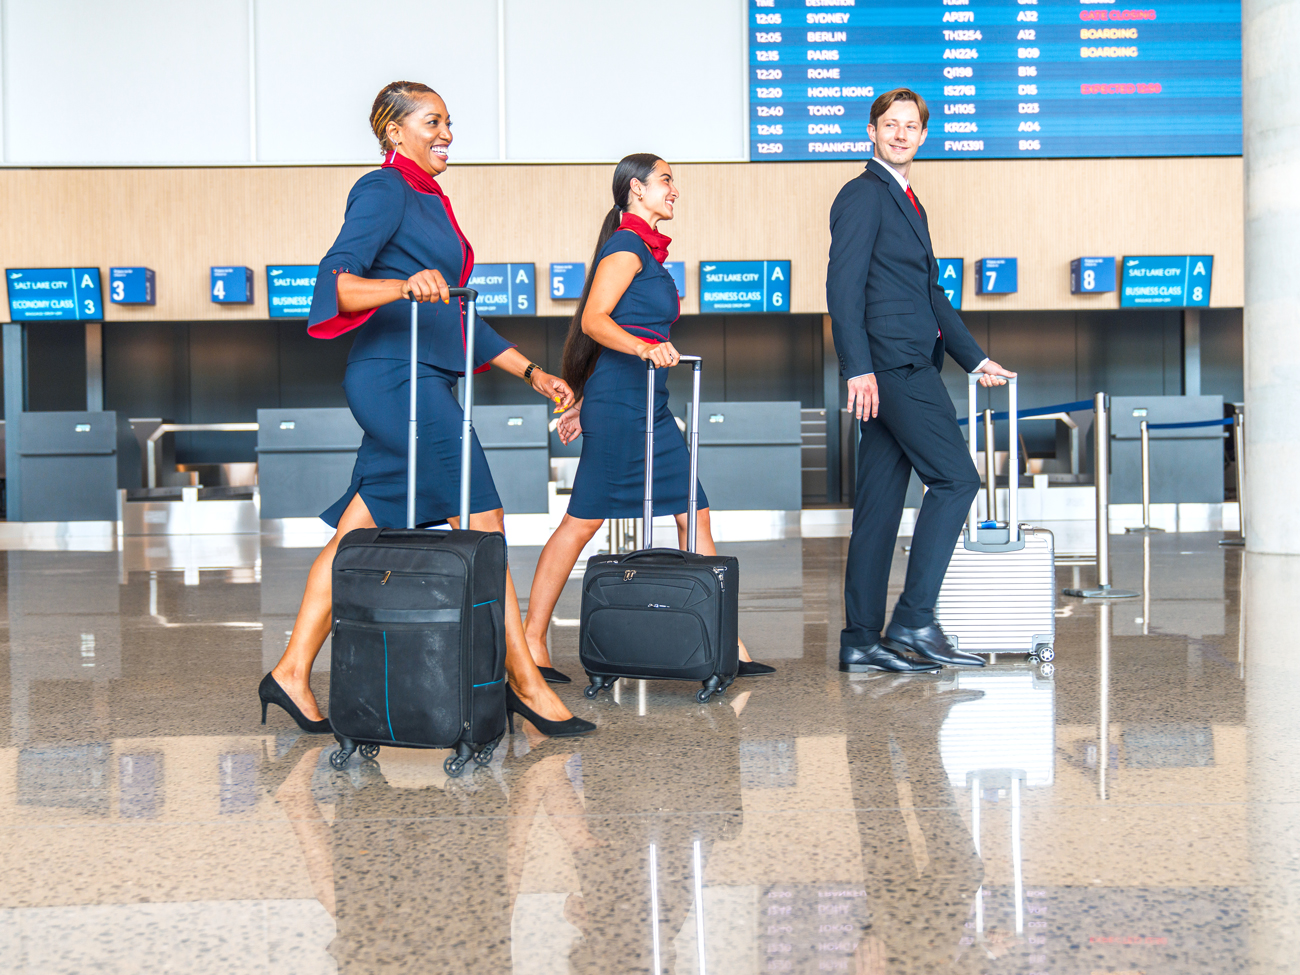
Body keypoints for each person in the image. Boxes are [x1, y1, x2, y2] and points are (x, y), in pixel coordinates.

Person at [259, 81, 594, 738]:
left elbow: (455, 317)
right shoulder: (384, 190)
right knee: (483, 512)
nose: (446, 133)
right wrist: (400, 285)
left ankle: (293, 670)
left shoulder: (427, 200)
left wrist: (532, 371)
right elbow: (335, 283)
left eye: (449, 121)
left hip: (419, 378)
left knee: (358, 531)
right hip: (395, 379)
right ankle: (523, 679)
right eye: (432, 121)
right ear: (395, 131)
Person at [521, 153, 772, 681]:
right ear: (636, 189)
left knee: (694, 513)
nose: (674, 189)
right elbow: (593, 320)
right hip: (623, 407)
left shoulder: (649, 253)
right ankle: (530, 643)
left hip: (649, 404)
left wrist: (596, 387)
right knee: (583, 521)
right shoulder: (628, 246)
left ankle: (727, 642)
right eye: (665, 180)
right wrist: (641, 351)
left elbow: (621, 329)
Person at [826, 88, 1016, 674]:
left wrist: (974, 358)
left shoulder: (909, 200)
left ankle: (860, 639)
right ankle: (913, 617)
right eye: (891, 124)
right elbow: (842, 287)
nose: (901, 133)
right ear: (872, 131)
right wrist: (857, 367)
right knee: (957, 480)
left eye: (911, 125)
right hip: (892, 366)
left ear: (923, 135)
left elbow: (931, 294)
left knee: (879, 508)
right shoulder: (863, 195)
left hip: (903, 363)